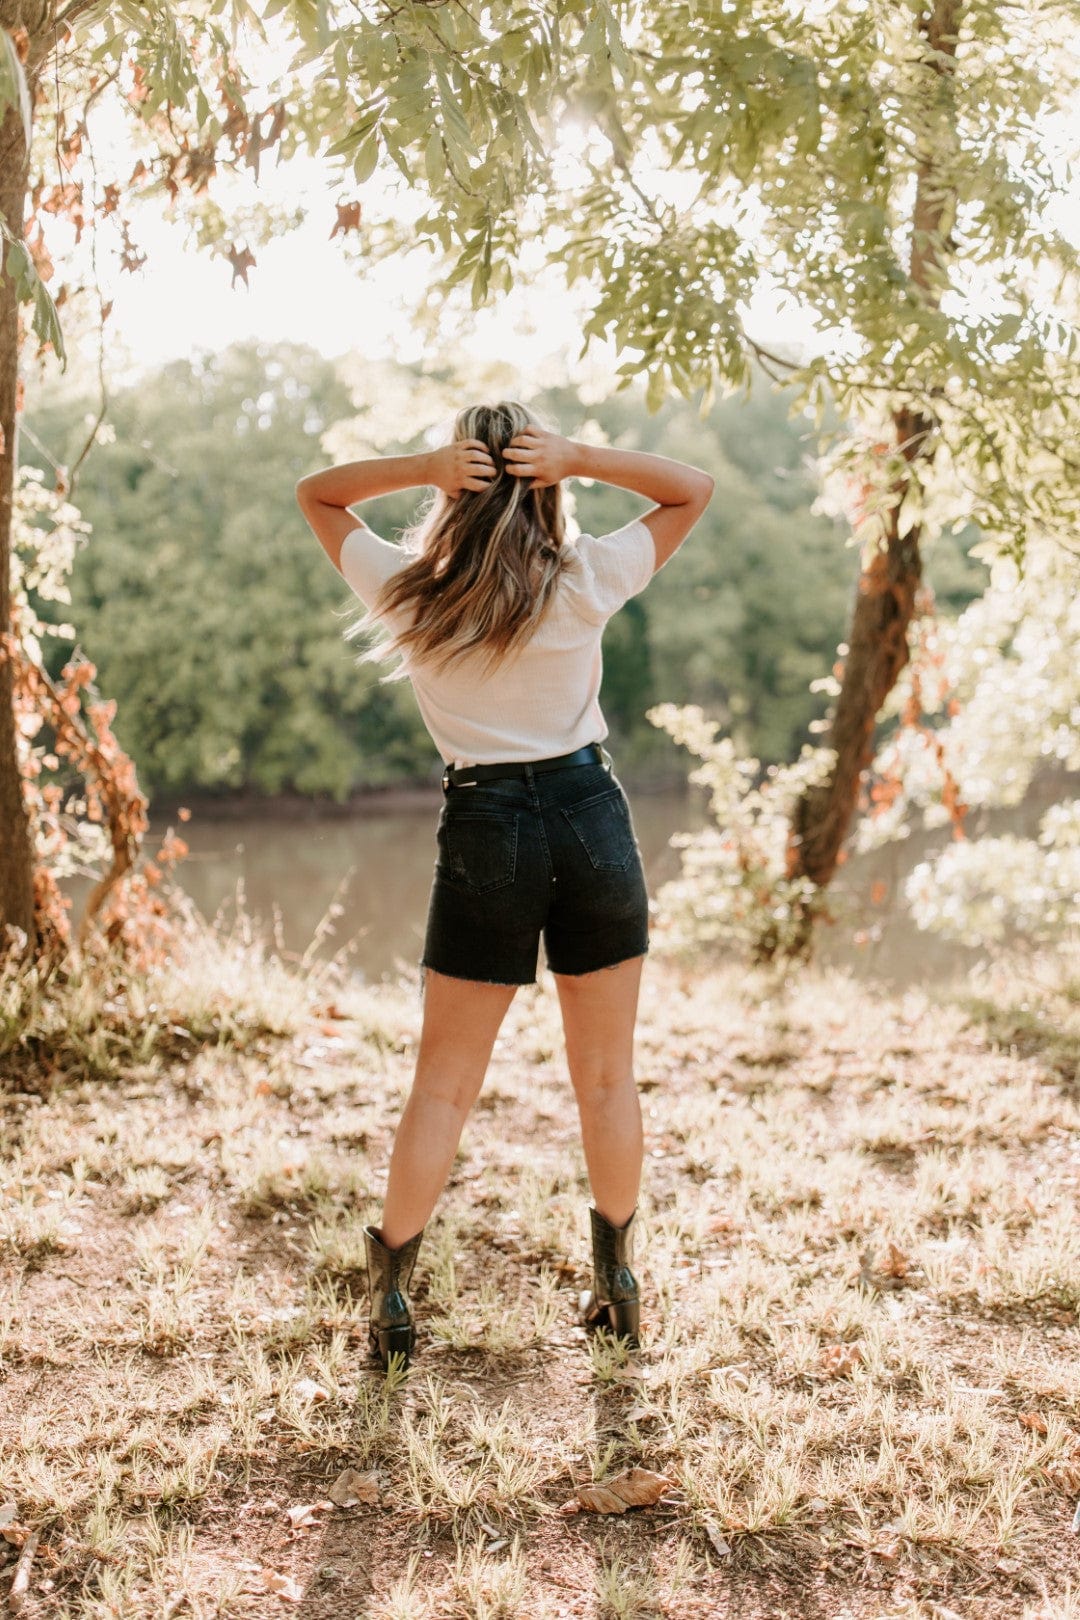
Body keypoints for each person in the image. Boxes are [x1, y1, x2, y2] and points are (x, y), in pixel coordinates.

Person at [295, 402, 714, 1372]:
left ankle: (393, 1307)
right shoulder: (584, 578)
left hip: (487, 826)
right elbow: (691, 488)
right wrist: (577, 456)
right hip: (589, 815)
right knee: (606, 1076)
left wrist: (424, 467)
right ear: (546, 486)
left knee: (442, 1087)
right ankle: (618, 1288)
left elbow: (317, 496)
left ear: (456, 489)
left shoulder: (412, 592)